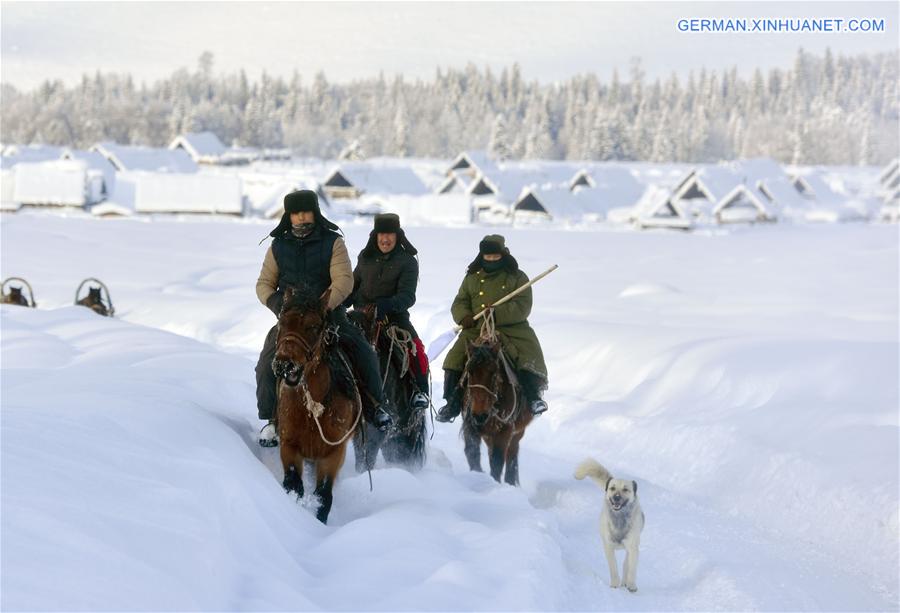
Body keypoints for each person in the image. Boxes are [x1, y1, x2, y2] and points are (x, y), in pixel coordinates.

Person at [255, 190, 393, 447]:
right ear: (289, 216)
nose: (301, 217)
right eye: (296, 213)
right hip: (292, 321)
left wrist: (323, 305)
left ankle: (375, 407)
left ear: (315, 212)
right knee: (266, 363)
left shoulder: (333, 242)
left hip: (329, 314)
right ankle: (271, 420)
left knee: (363, 352)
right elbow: (264, 284)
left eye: (306, 211)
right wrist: (278, 305)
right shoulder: (278, 246)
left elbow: (344, 279)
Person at [436, 234, 549, 423]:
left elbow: (523, 306)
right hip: (476, 327)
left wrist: (496, 314)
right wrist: (464, 316)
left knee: (527, 356)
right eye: (487, 256)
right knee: (453, 358)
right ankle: (452, 403)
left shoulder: (518, 277)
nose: (491, 259)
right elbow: (460, 301)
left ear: (503, 254)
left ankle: (533, 398)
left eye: (495, 256)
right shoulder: (472, 278)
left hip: (511, 328)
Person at [346, 213, 430, 410]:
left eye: (390, 235)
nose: (385, 239)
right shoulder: (365, 257)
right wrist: (340, 301)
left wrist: (384, 306)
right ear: (375, 236)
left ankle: (419, 391)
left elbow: (408, 296)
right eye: (381, 234)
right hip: (360, 316)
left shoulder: (408, 261)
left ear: (397, 236)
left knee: (414, 348)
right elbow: (352, 286)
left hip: (393, 318)